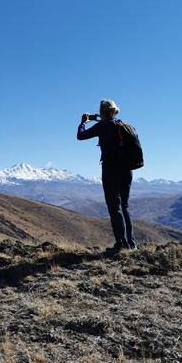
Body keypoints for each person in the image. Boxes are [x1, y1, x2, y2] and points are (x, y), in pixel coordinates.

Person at [77, 99, 136, 251]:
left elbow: (81, 136)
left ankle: (121, 245)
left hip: (111, 170)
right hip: (127, 170)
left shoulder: (102, 126)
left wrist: (83, 122)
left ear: (102, 112)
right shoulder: (124, 125)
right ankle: (131, 244)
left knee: (114, 207)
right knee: (124, 206)